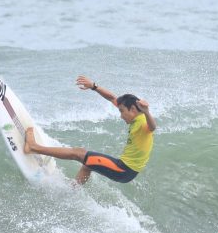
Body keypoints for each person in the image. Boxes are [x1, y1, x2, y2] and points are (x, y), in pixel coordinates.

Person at [24, 75, 156, 185]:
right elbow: (111, 97)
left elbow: (153, 127)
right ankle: (72, 191)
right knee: (88, 165)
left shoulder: (143, 121)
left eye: (122, 111)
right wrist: (94, 86)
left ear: (133, 109)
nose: (121, 115)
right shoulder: (134, 116)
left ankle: (33, 147)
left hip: (123, 170)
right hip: (125, 170)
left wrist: (147, 112)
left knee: (78, 153)